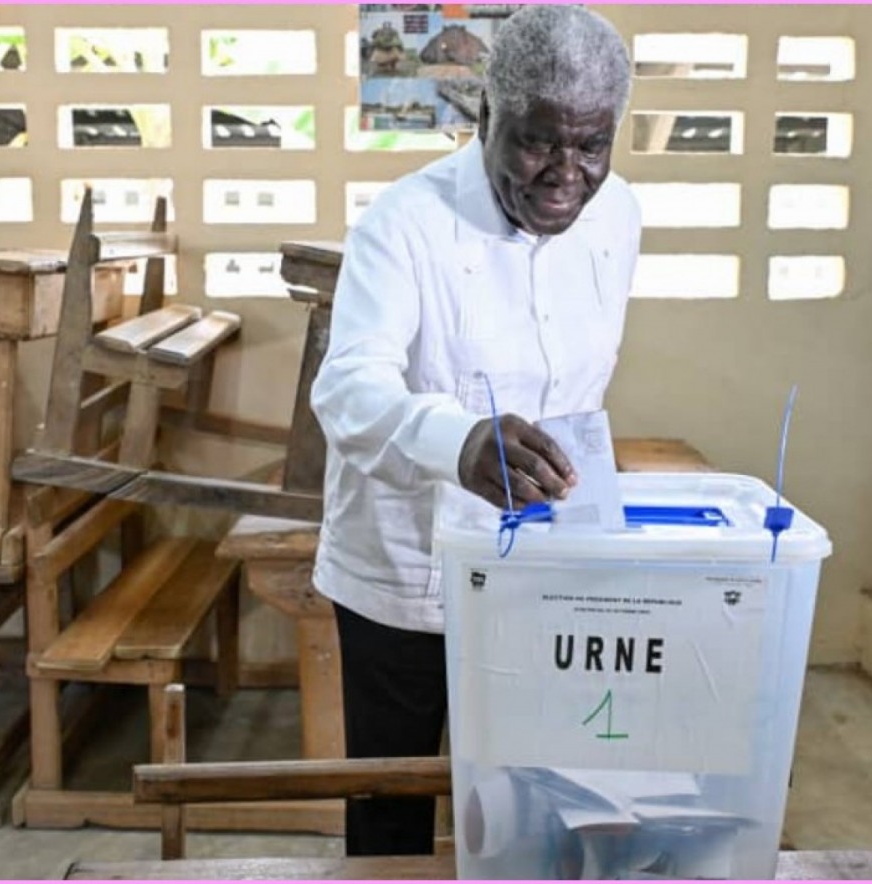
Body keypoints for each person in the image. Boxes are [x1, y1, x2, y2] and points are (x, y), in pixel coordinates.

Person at [308, 4, 639, 857]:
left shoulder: (618, 218)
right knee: (391, 817)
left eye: (591, 146)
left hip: (543, 572)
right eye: (537, 142)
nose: (566, 174)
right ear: (484, 117)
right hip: (404, 573)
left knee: (536, 810)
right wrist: (454, 440)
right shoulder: (403, 224)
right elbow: (347, 387)